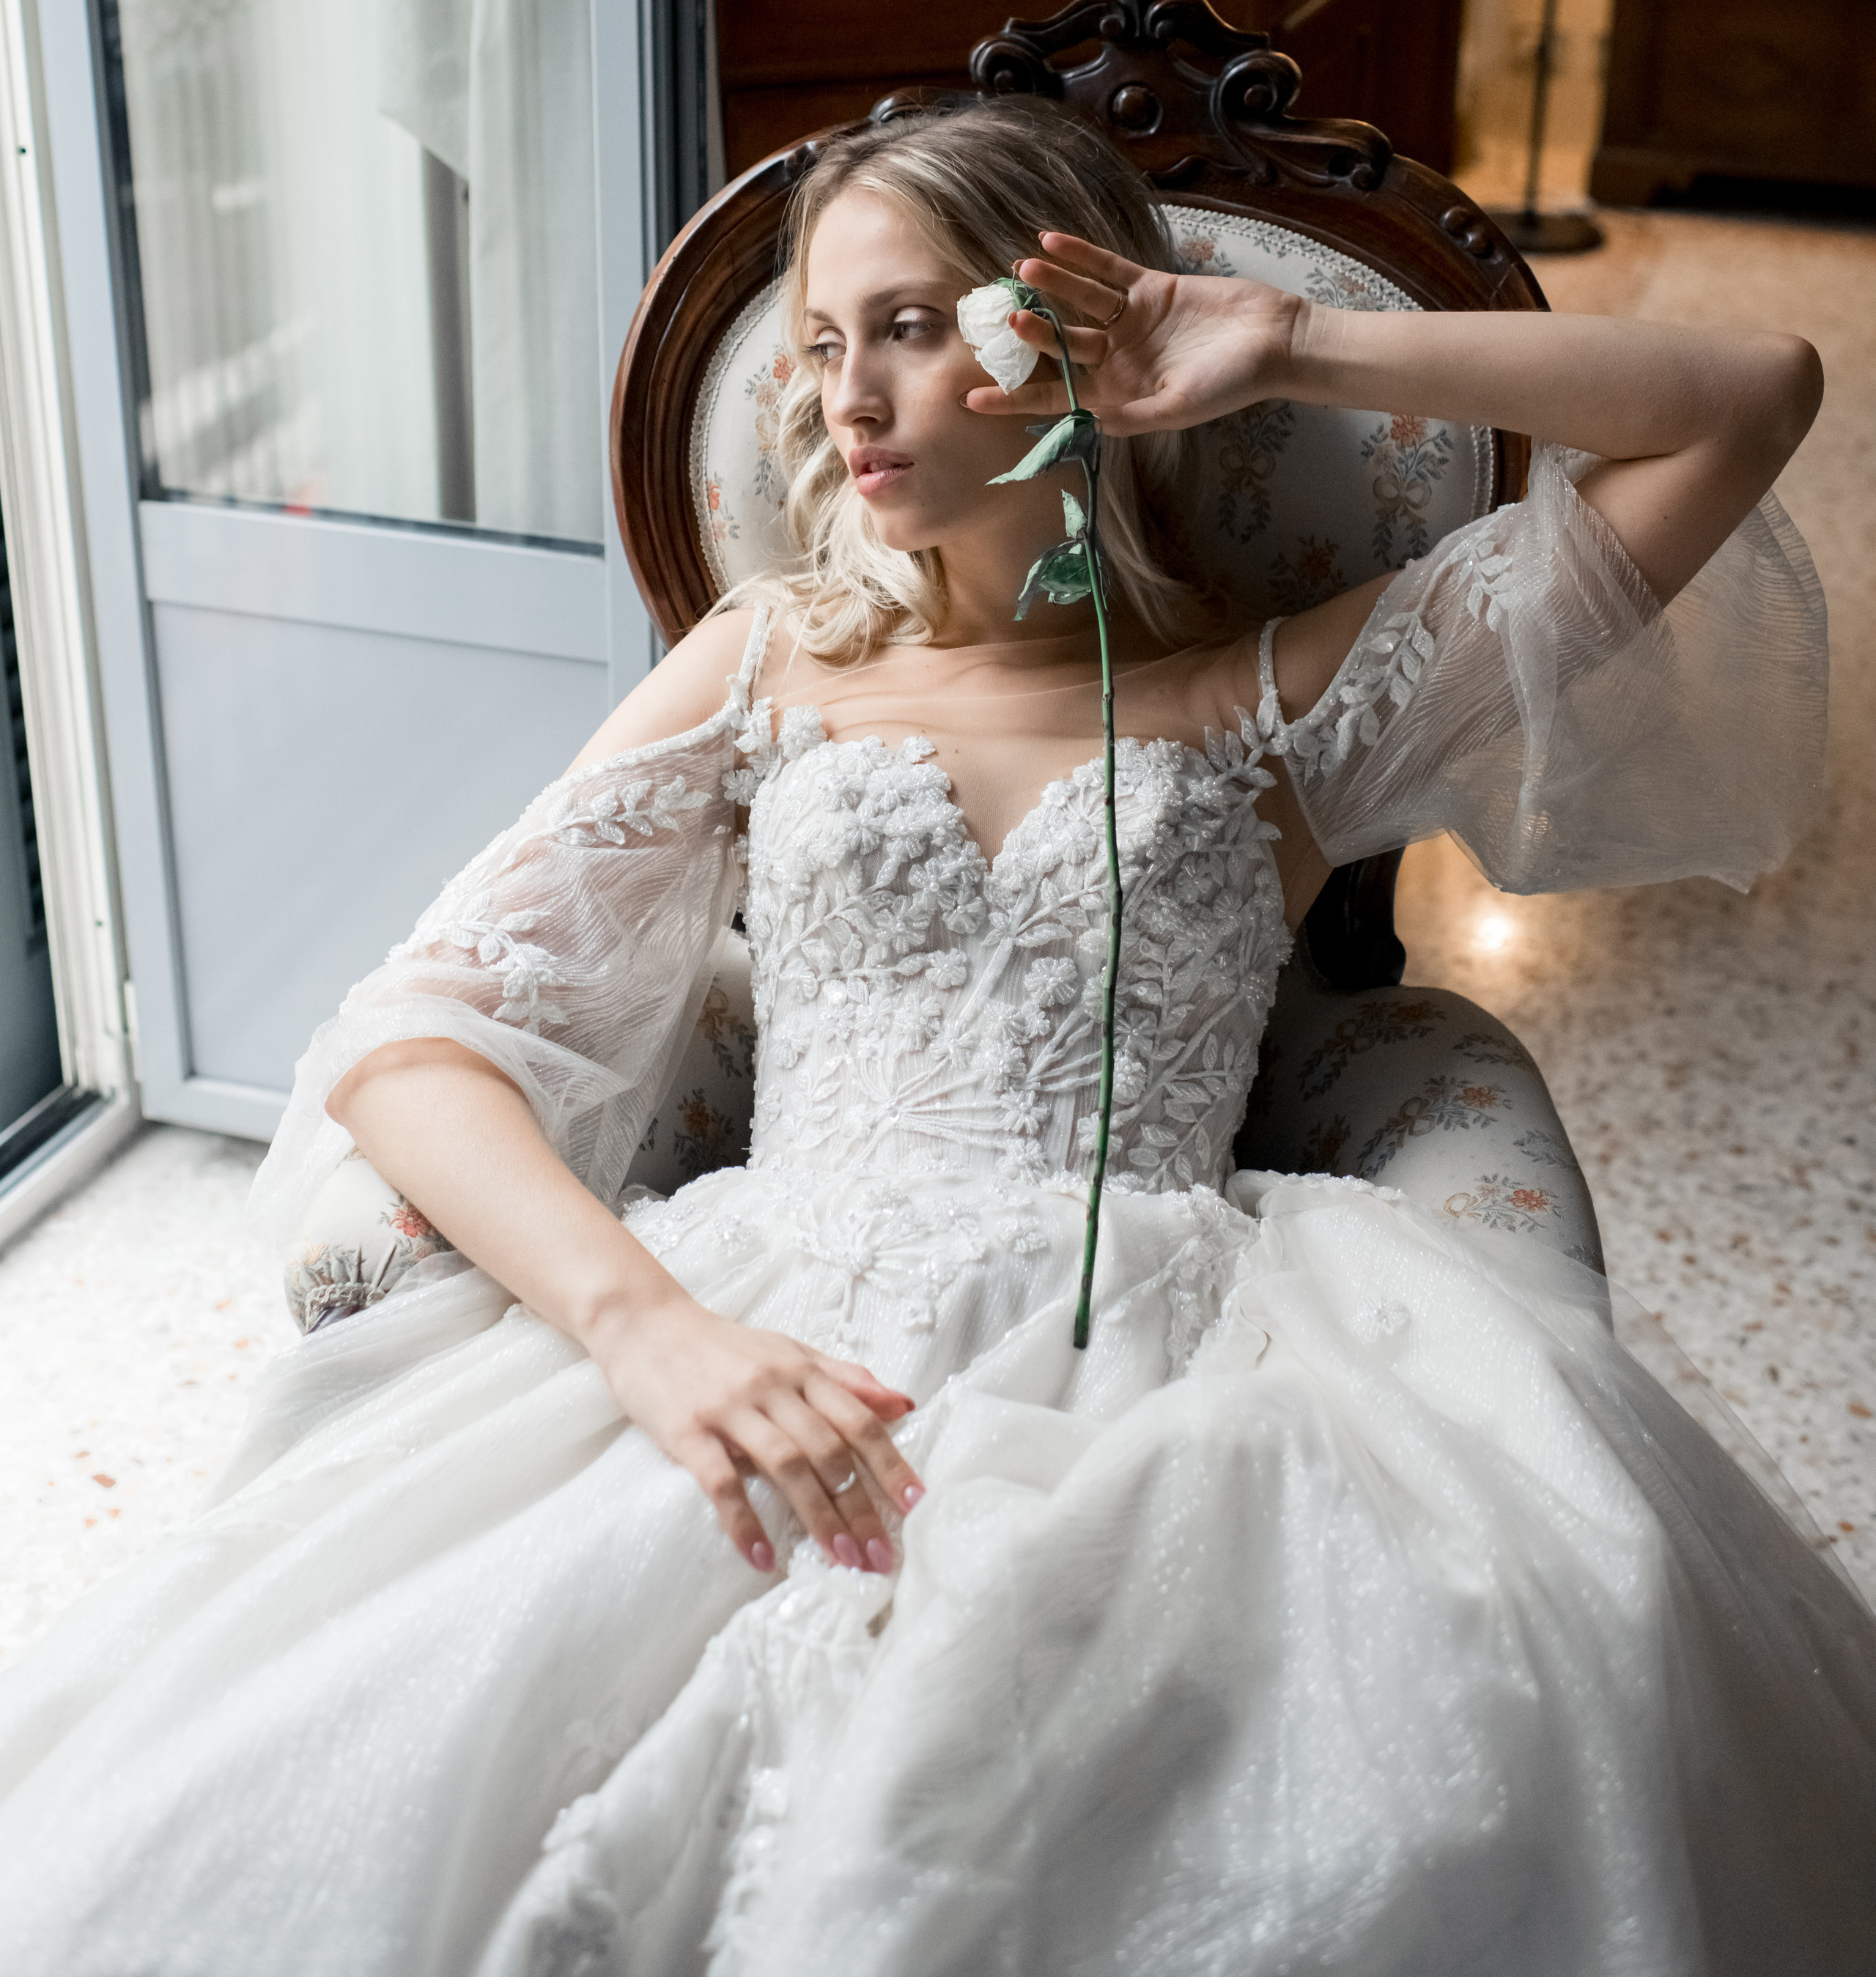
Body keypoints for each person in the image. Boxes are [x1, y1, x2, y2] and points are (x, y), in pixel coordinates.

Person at [1, 100, 1870, 1976]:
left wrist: (1280, 339)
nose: (841, 399)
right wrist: (649, 1330)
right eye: (819, 344)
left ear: (1059, 326)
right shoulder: (764, 659)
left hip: (1158, 1362)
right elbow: (419, 1038)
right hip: (754, 1311)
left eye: (905, 326)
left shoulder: (1281, 696)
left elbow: (1749, 393)